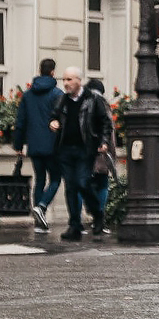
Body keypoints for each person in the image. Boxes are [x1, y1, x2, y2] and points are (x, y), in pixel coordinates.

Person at [48, 66, 106, 241]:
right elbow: (53, 116)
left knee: (82, 182)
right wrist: (53, 122)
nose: (66, 84)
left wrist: (103, 142)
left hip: (84, 148)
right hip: (65, 149)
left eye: (69, 80)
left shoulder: (93, 99)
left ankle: (97, 214)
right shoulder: (61, 100)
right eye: (64, 80)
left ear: (79, 81)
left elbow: (104, 122)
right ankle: (74, 226)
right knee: (71, 188)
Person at [12, 58, 62, 233]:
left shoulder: (27, 95)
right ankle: (41, 207)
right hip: (52, 145)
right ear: (53, 72)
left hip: (34, 145)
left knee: (39, 179)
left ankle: (39, 223)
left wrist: (18, 145)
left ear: (40, 70)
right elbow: (62, 119)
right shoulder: (57, 94)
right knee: (55, 178)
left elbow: (21, 122)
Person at [85, 77, 119, 235]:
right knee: (102, 185)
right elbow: (109, 131)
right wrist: (111, 153)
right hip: (101, 151)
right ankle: (98, 218)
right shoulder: (103, 105)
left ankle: (91, 217)